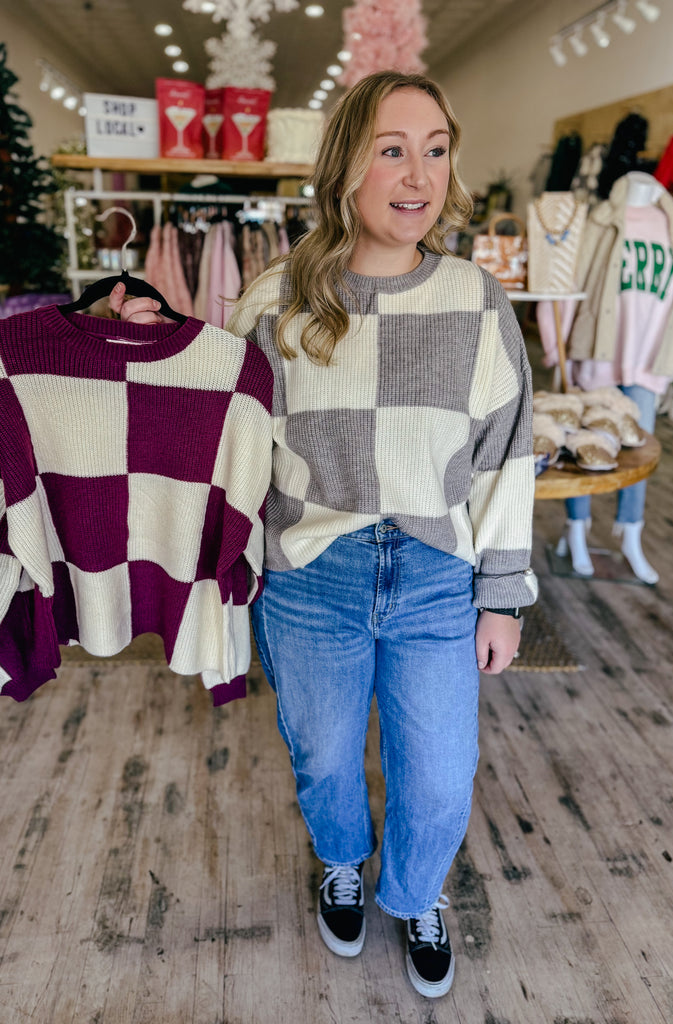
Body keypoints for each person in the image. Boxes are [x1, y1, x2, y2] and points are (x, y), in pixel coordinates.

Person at [111, 70, 538, 1000]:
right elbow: (217, 422)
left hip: (435, 576)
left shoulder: (476, 300)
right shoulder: (277, 296)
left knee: (440, 776)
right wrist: (146, 341)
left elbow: (507, 455)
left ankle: (415, 893)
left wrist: (504, 594)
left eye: (435, 150)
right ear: (346, 164)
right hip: (311, 576)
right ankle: (342, 861)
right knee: (325, 756)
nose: (419, 174)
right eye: (392, 150)